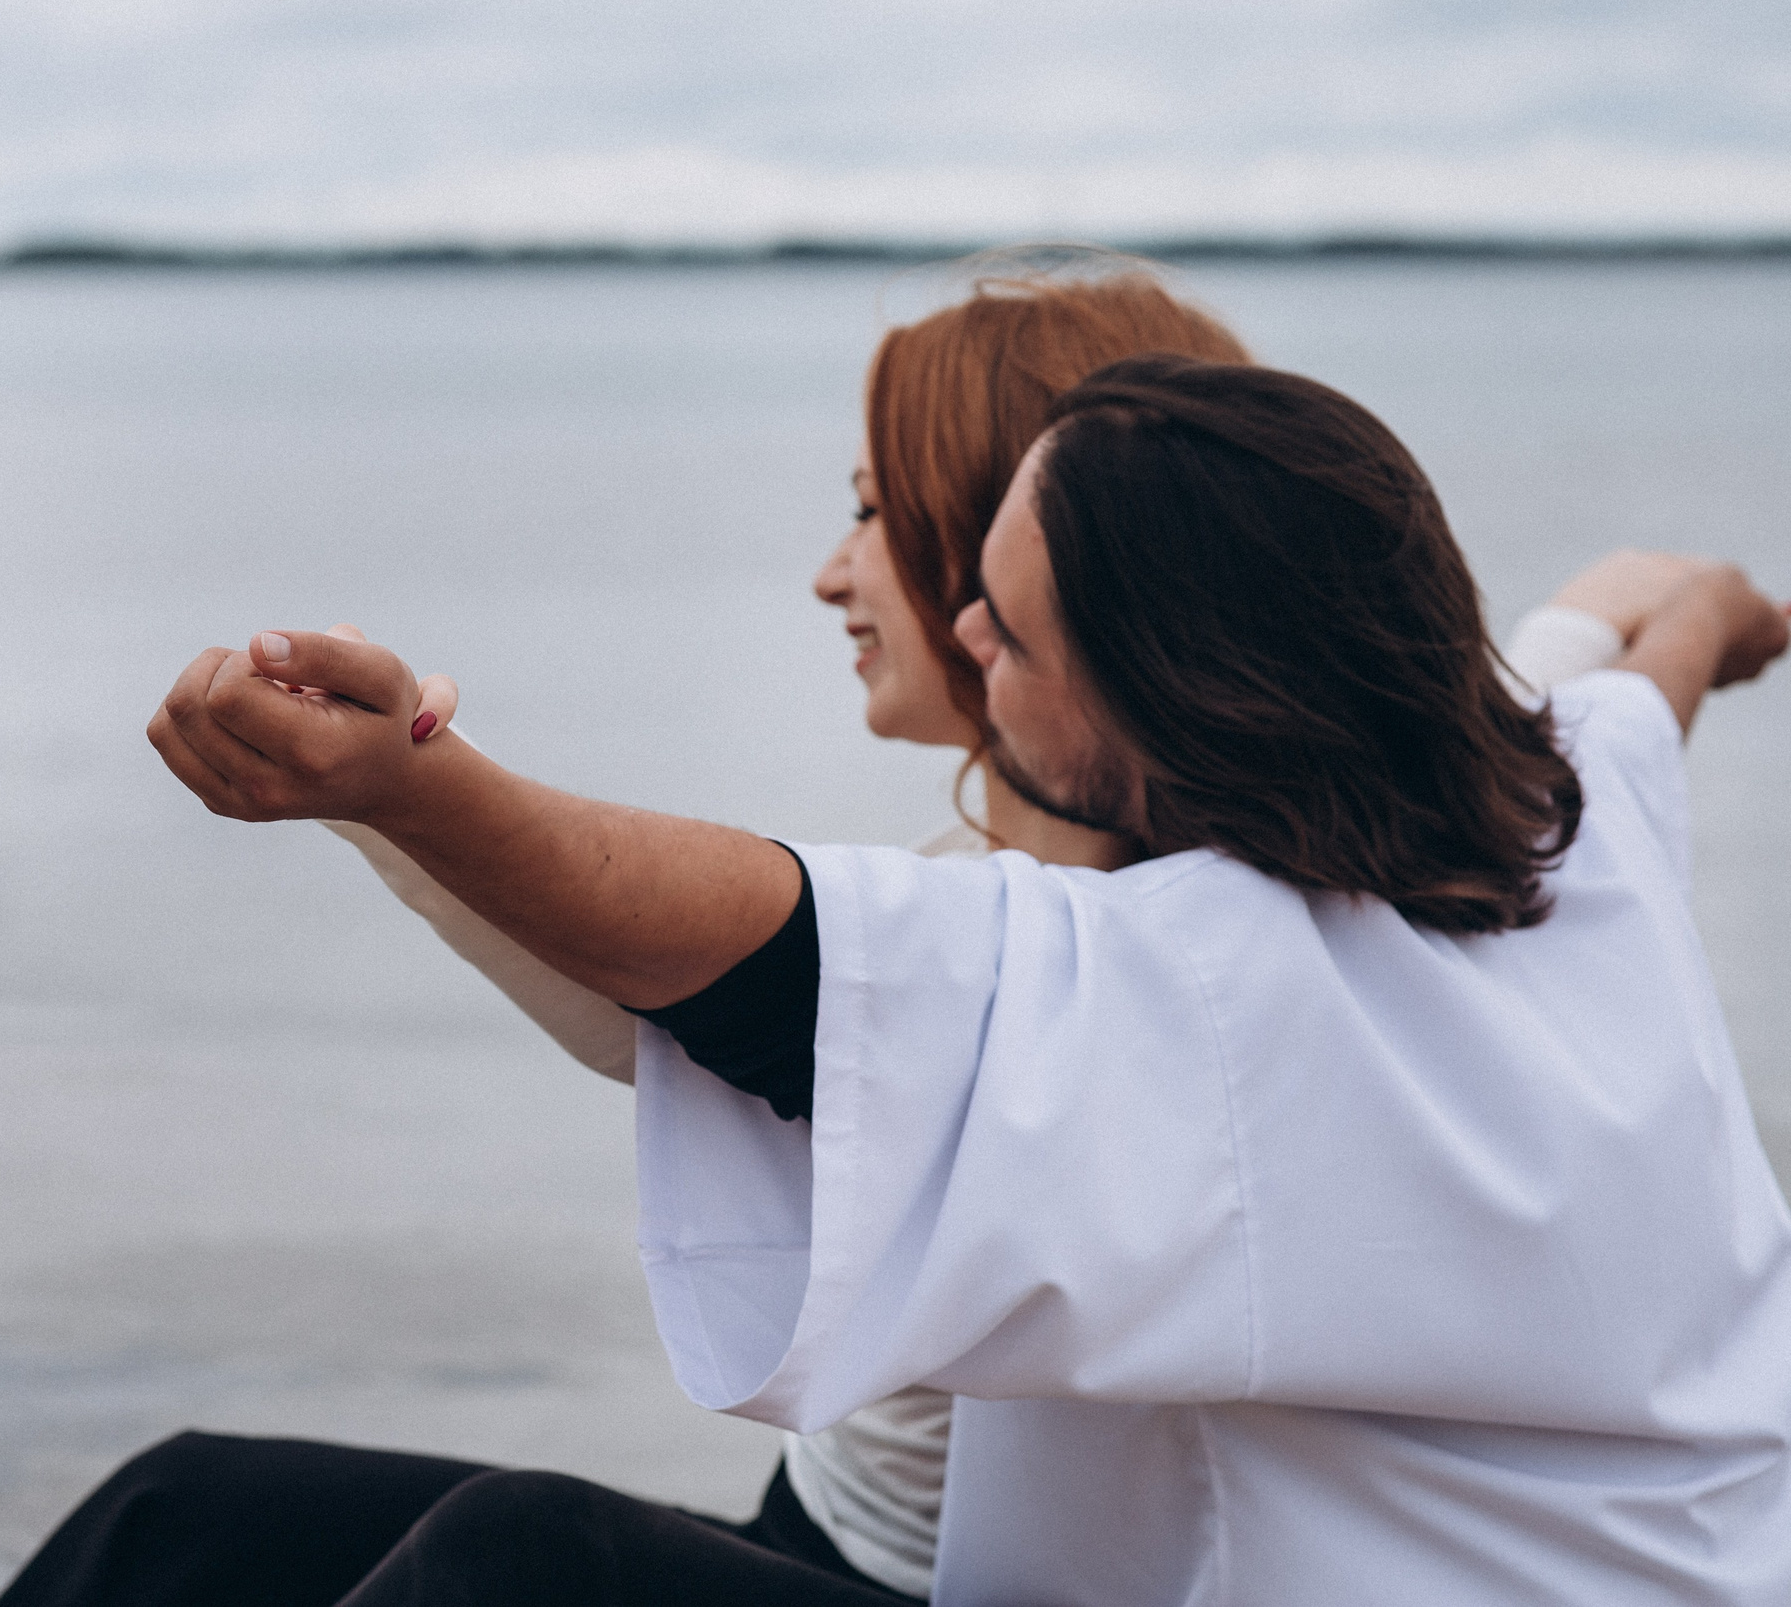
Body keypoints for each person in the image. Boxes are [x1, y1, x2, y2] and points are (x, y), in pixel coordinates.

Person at [144, 354, 1791, 1603]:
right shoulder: (1576, 807)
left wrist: (413, 786)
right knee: (194, 1516)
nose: (970, 639)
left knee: (517, 1565)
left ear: (1171, 699)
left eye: (1005, 623)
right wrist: (1729, 608)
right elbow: (1659, 639)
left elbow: (743, 949)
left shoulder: (1210, 1008)